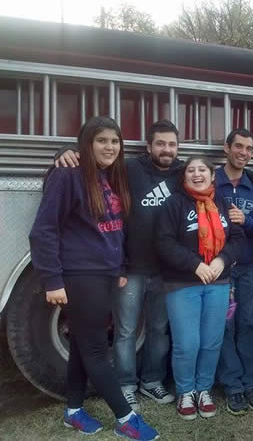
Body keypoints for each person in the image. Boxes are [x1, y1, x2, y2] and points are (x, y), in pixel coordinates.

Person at [29, 116, 158, 440]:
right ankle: (126, 419)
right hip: (79, 275)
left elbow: (112, 229)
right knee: (97, 350)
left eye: (115, 141)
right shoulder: (67, 175)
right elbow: (43, 230)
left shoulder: (108, 176)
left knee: (82, 347)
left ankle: (73, 411)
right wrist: (52, 280)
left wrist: (119, 269)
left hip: (103, 275)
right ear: (87, 143)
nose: (110, 147)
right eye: (102, 140)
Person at [54, 120, 181, 411]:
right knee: (125, 331)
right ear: (148, 146)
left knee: (159, 330)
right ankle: (125, 386)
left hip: (166, 270)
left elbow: (209, 179)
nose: (166, 149)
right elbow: (93, 162)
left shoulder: (182, 172)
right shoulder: (128, 168)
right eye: (160, 143)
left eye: (172, 144)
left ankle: (152, 382)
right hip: (132, 267)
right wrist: (64, 151)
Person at [156, 156, 244, 420]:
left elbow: (238, 239)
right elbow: (164, 242)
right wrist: (195, 264)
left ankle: (203, 389)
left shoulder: (222, 202)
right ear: (184, 178)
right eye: (191, 171)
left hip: (218, 282)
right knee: (187, 342)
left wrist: (222, 259)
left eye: (202, 170)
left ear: (212, 175)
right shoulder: (173, 204)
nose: (197, 174)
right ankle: (185, 391)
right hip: (183, 283)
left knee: (211, 341)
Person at [214, 128, 253, 415]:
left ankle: (252, 382)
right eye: (239, 146)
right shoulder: (210, 183)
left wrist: (247, 220)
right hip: (219, 270)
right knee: (223, 327)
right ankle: (233, 386)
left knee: (247, 324)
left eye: (249, 148)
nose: (244, 153)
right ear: (226, 148)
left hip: (246, 269)